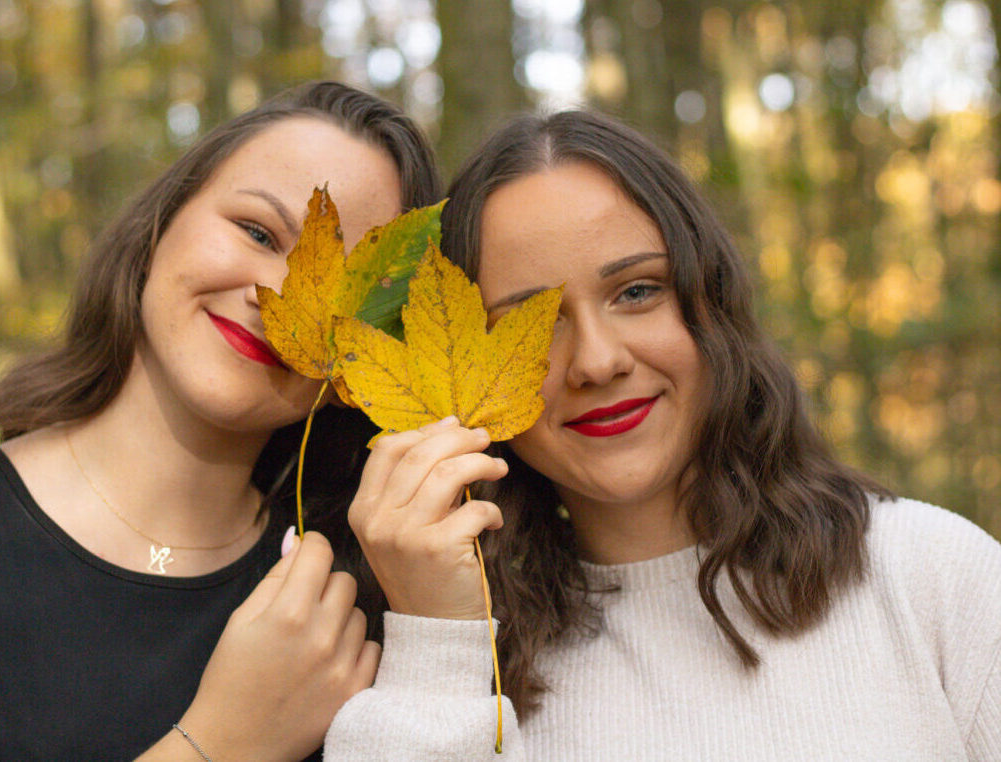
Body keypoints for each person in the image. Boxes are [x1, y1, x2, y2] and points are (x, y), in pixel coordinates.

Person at [324, 110, 1001, 759]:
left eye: (637, 292)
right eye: (529, 324)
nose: (596, 360)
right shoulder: (442, 663)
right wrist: (438, 645)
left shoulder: (930, 576)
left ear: (711, 301)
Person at [0, 80, 441, 761]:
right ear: (161, 222)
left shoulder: (368, 597)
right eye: (256, 231)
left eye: (340, 284)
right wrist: (221, 743)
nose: (279, 297)